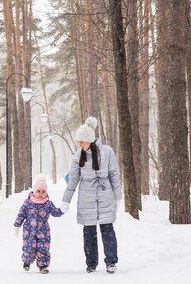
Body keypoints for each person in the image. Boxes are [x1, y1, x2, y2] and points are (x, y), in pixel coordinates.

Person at [61, 116, 122, 274]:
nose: (79, 144)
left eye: (81, 141)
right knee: (88, 231)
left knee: (107, 229)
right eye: (78, 142)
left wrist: (118, 197)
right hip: (86, 197)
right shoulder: (77, 157)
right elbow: (73, 181)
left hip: (105, 195)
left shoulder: (107, 152)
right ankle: (91, 263)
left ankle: (111, 262)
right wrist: (65, 201)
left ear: (89, 140)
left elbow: (115, 175)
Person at [13, 176, 64, 274]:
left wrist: (62, 210)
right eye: (38, 191)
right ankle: (26, 261)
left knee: (43, 247)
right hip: (29, 230)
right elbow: (21, 214)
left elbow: (55, 212)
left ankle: (43, 266)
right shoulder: (28, 203)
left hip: (43, 231)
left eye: (43, 192)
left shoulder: (48, 204)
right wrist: (17, 225)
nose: (41, 194)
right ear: (34, 191)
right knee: (29, 247)